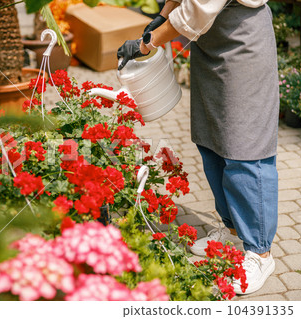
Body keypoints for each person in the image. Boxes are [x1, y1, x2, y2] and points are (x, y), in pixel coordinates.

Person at [118, 0, 279, 295]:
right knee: (213, 139)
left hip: (241, 38)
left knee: (246, 148)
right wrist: (162, 16)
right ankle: (232, 230)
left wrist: (147, 43)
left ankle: (260, 252)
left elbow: (199, 8)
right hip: (209, 44)